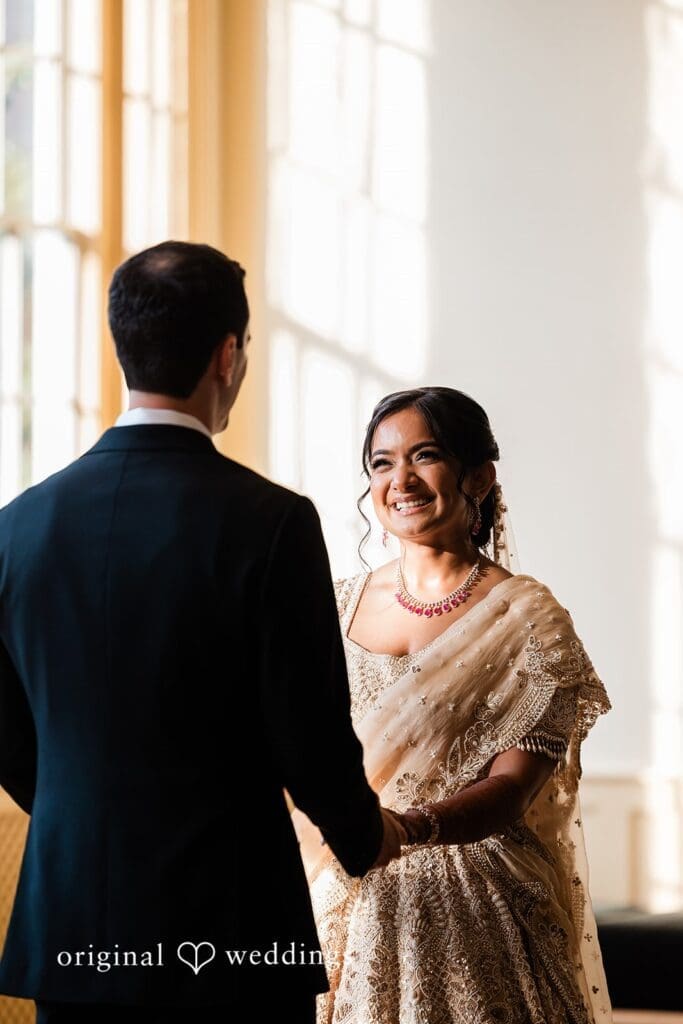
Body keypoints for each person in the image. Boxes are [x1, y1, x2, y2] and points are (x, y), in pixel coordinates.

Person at [0, 240, 405, 1024]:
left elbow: (4, 728)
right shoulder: (272, 523)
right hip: (233, 927)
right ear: (227, 354)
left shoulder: (15, 530)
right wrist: (364, 838)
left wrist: (79, 813)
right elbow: (308, 730)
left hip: (78, 919)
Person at [292, 386, 613, 1024]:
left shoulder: (530, 619)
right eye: (381, 463)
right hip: (336, 888)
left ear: (480, 475)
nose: (400, 480)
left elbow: (514, 786)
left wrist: (405, 830)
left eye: (425, 455)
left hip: (476, 905)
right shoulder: (330, 605)